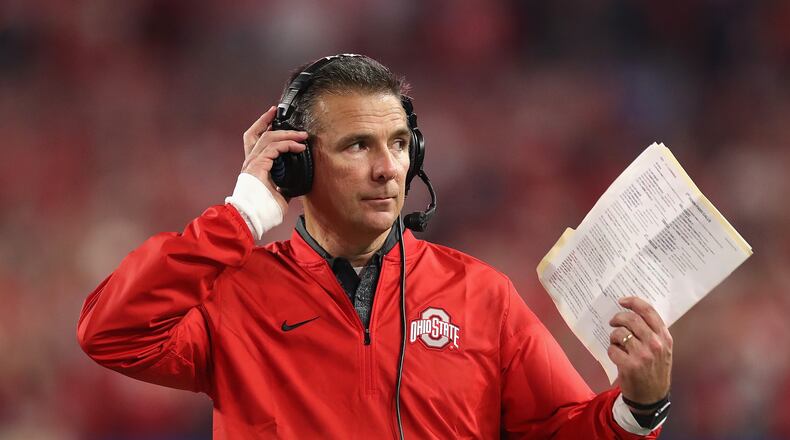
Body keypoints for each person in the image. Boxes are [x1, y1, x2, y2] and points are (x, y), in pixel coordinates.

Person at [77, 54, 673, 439]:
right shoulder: (234, 293)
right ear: (297, 165)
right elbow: (112, 331)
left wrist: (637, 410)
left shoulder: (480, 294)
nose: (389, 169)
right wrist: (242, 216)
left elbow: (560, 430)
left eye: (397, 143)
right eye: (357, 145)